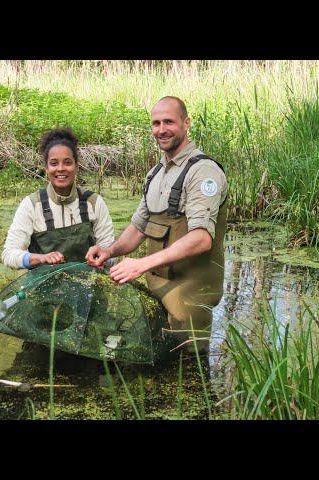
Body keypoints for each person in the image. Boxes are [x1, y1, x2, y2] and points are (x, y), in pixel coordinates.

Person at [86, 96, 228, 354]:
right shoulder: (155, 174)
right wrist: (109, 251)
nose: (161, 129)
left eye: (169, 122)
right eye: (156, 123)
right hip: (158, 285)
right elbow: (139, 228)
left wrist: (140, 265)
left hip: (191, 294)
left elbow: (201, 238)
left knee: (190, 375)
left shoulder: (203, 172)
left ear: (186, 123)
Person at [2, 127, 114, 269]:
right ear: (46, 168)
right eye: (54, 163)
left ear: (76, 166)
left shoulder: (93, 202)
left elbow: (109, 252)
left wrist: (104, 259)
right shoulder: (31, 205)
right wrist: (40, 258)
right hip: (44, 288)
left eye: (67, 162)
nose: (60, 169)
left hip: (89, 287)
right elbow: (8, 254)